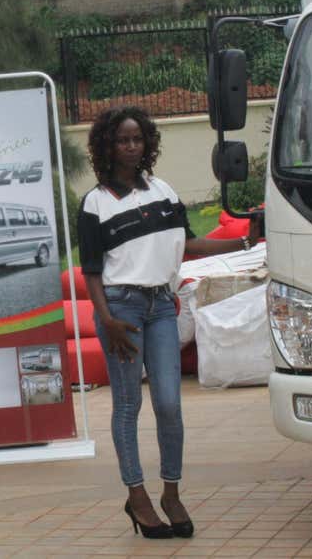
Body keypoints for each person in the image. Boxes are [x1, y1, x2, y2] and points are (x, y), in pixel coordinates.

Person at [77, 106, 251, 540]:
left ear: (147, 143)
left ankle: (171, 493)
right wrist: (107, 320)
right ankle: (137, 496)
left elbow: (188, 242)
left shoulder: (164, 191)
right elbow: (91, 271)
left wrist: (246, 239)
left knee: (170, 404)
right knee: (127, 406)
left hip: (160, 306)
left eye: (137, 138)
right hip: (121, 312)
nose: (131, 146)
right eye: (122, 140)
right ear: (107, 146)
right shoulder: (95, 203)